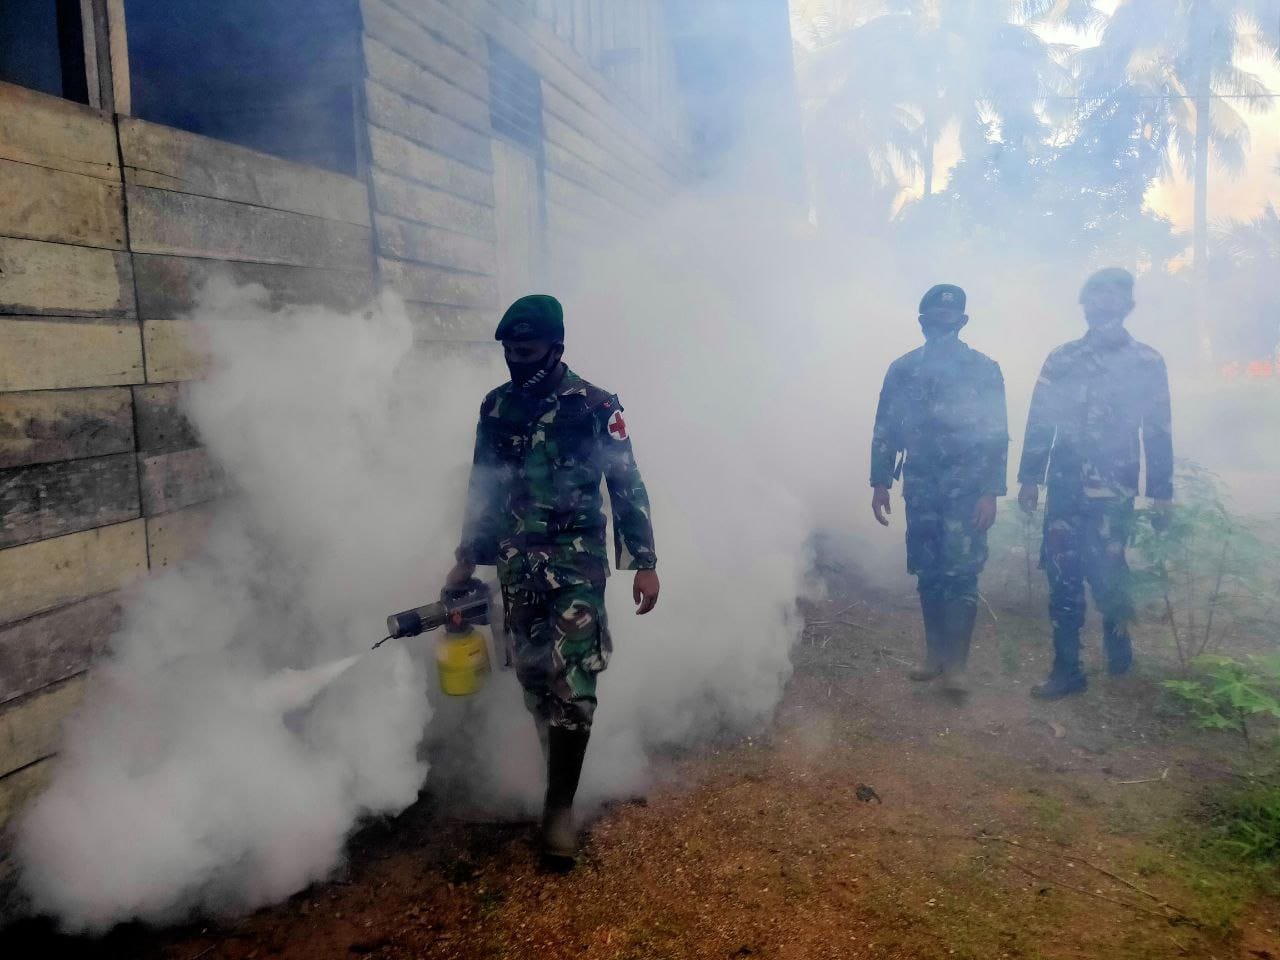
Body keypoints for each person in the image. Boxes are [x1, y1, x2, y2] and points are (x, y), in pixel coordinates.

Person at [445, 294, 660, 865]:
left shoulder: (594, 405)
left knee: (576, 682)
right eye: (510, 351)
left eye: (529, 349)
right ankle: (554, 783)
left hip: (576, 565)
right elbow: (483, 487)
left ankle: (559, 810)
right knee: (536, 681)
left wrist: (644, 561)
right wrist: (469, 554)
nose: (517, 359)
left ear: (556, 348)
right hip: (519, 567)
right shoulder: (496, 408)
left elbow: (626, 483)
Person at [1017, 268, 1173, 700]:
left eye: (1112, 295)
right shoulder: (1062, 358)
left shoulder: (1146, 361)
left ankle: (1118, 647)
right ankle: (1067, 669)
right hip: (1065, 488)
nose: (1101, 302)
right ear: (1083, 303)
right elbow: (1040, 419)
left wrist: (1162, 491)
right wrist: (1029, 477)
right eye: (1093, 295)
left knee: (1109, 573)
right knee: (1063, 576)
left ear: (1127, 305)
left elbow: (1158, 428)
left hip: (1114, 491)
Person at [870, 284, 1009, 695]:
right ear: (922, 324)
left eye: (950, 320)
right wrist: (880, 481)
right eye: (934, 320)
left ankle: (958, 667)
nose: (941, 327)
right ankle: (935, 657)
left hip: (968, 489)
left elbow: (997, 434)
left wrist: (990, 492)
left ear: (963, 322)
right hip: (922, 485)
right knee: (929, 572)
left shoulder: (984, 369)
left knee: (963, 574)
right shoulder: (903, 369)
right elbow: (886, 427)